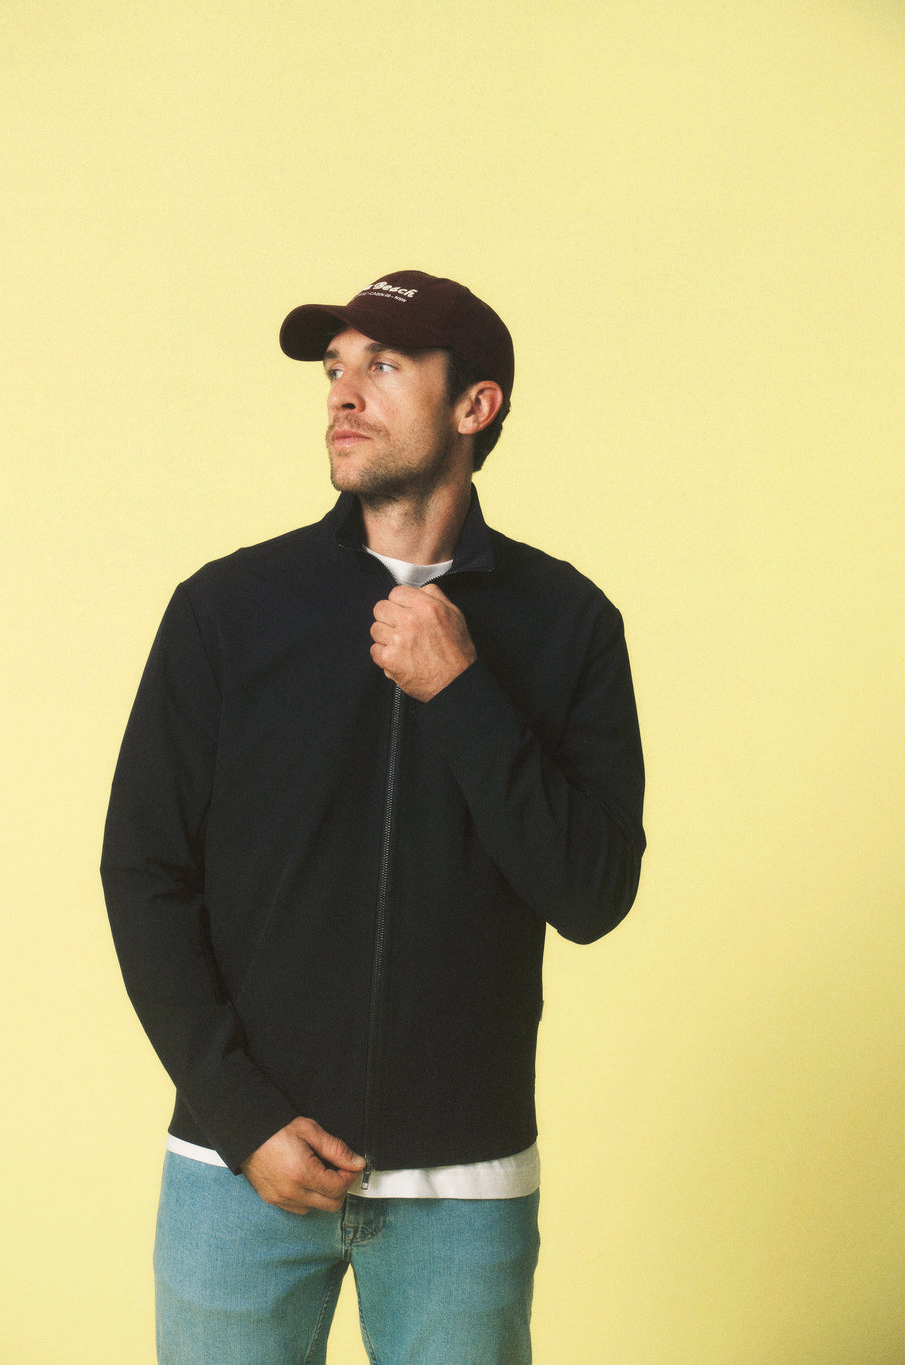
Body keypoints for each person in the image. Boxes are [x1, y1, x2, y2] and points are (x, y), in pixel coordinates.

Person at [101, 269, 645, 1364]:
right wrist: (240, 1114)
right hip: (236, 1175)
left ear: (474, 405)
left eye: (384, 366)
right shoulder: (227, 610)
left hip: (465, 1191)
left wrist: (462, 691)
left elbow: (590, 895)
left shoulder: (566, 623)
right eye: (335, 369)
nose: (344, 393)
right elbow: (145, 875)